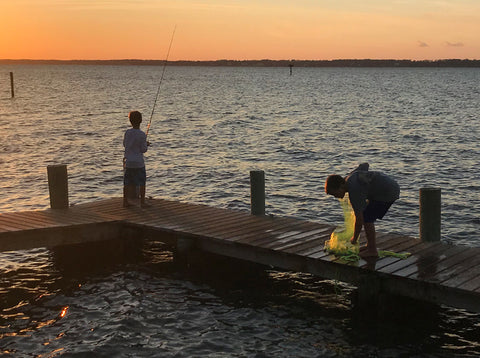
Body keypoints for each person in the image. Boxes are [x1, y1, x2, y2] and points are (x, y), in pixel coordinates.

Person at [325, 163, 400, 258]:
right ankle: (369, 245)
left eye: (334, 193)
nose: (335, 197)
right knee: (366, 215)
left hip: (388, 192)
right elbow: (365, 165)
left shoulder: (354, 191)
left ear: (341, 186)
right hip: (389, 185)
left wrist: (354, 239)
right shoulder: (349, 177)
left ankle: (372, 251)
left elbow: (359, 220)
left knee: (367, 219)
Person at [123, 110, 150, 208]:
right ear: (141, 120)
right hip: (139, 163)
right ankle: (142, 202)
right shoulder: (142, 134)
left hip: (129, 162)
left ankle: (125, 201)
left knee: (126, 183)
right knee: (142, 182)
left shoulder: (127, 133)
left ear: (130, 121)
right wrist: (146, 144)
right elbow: (143, 149)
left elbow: (124, 144)